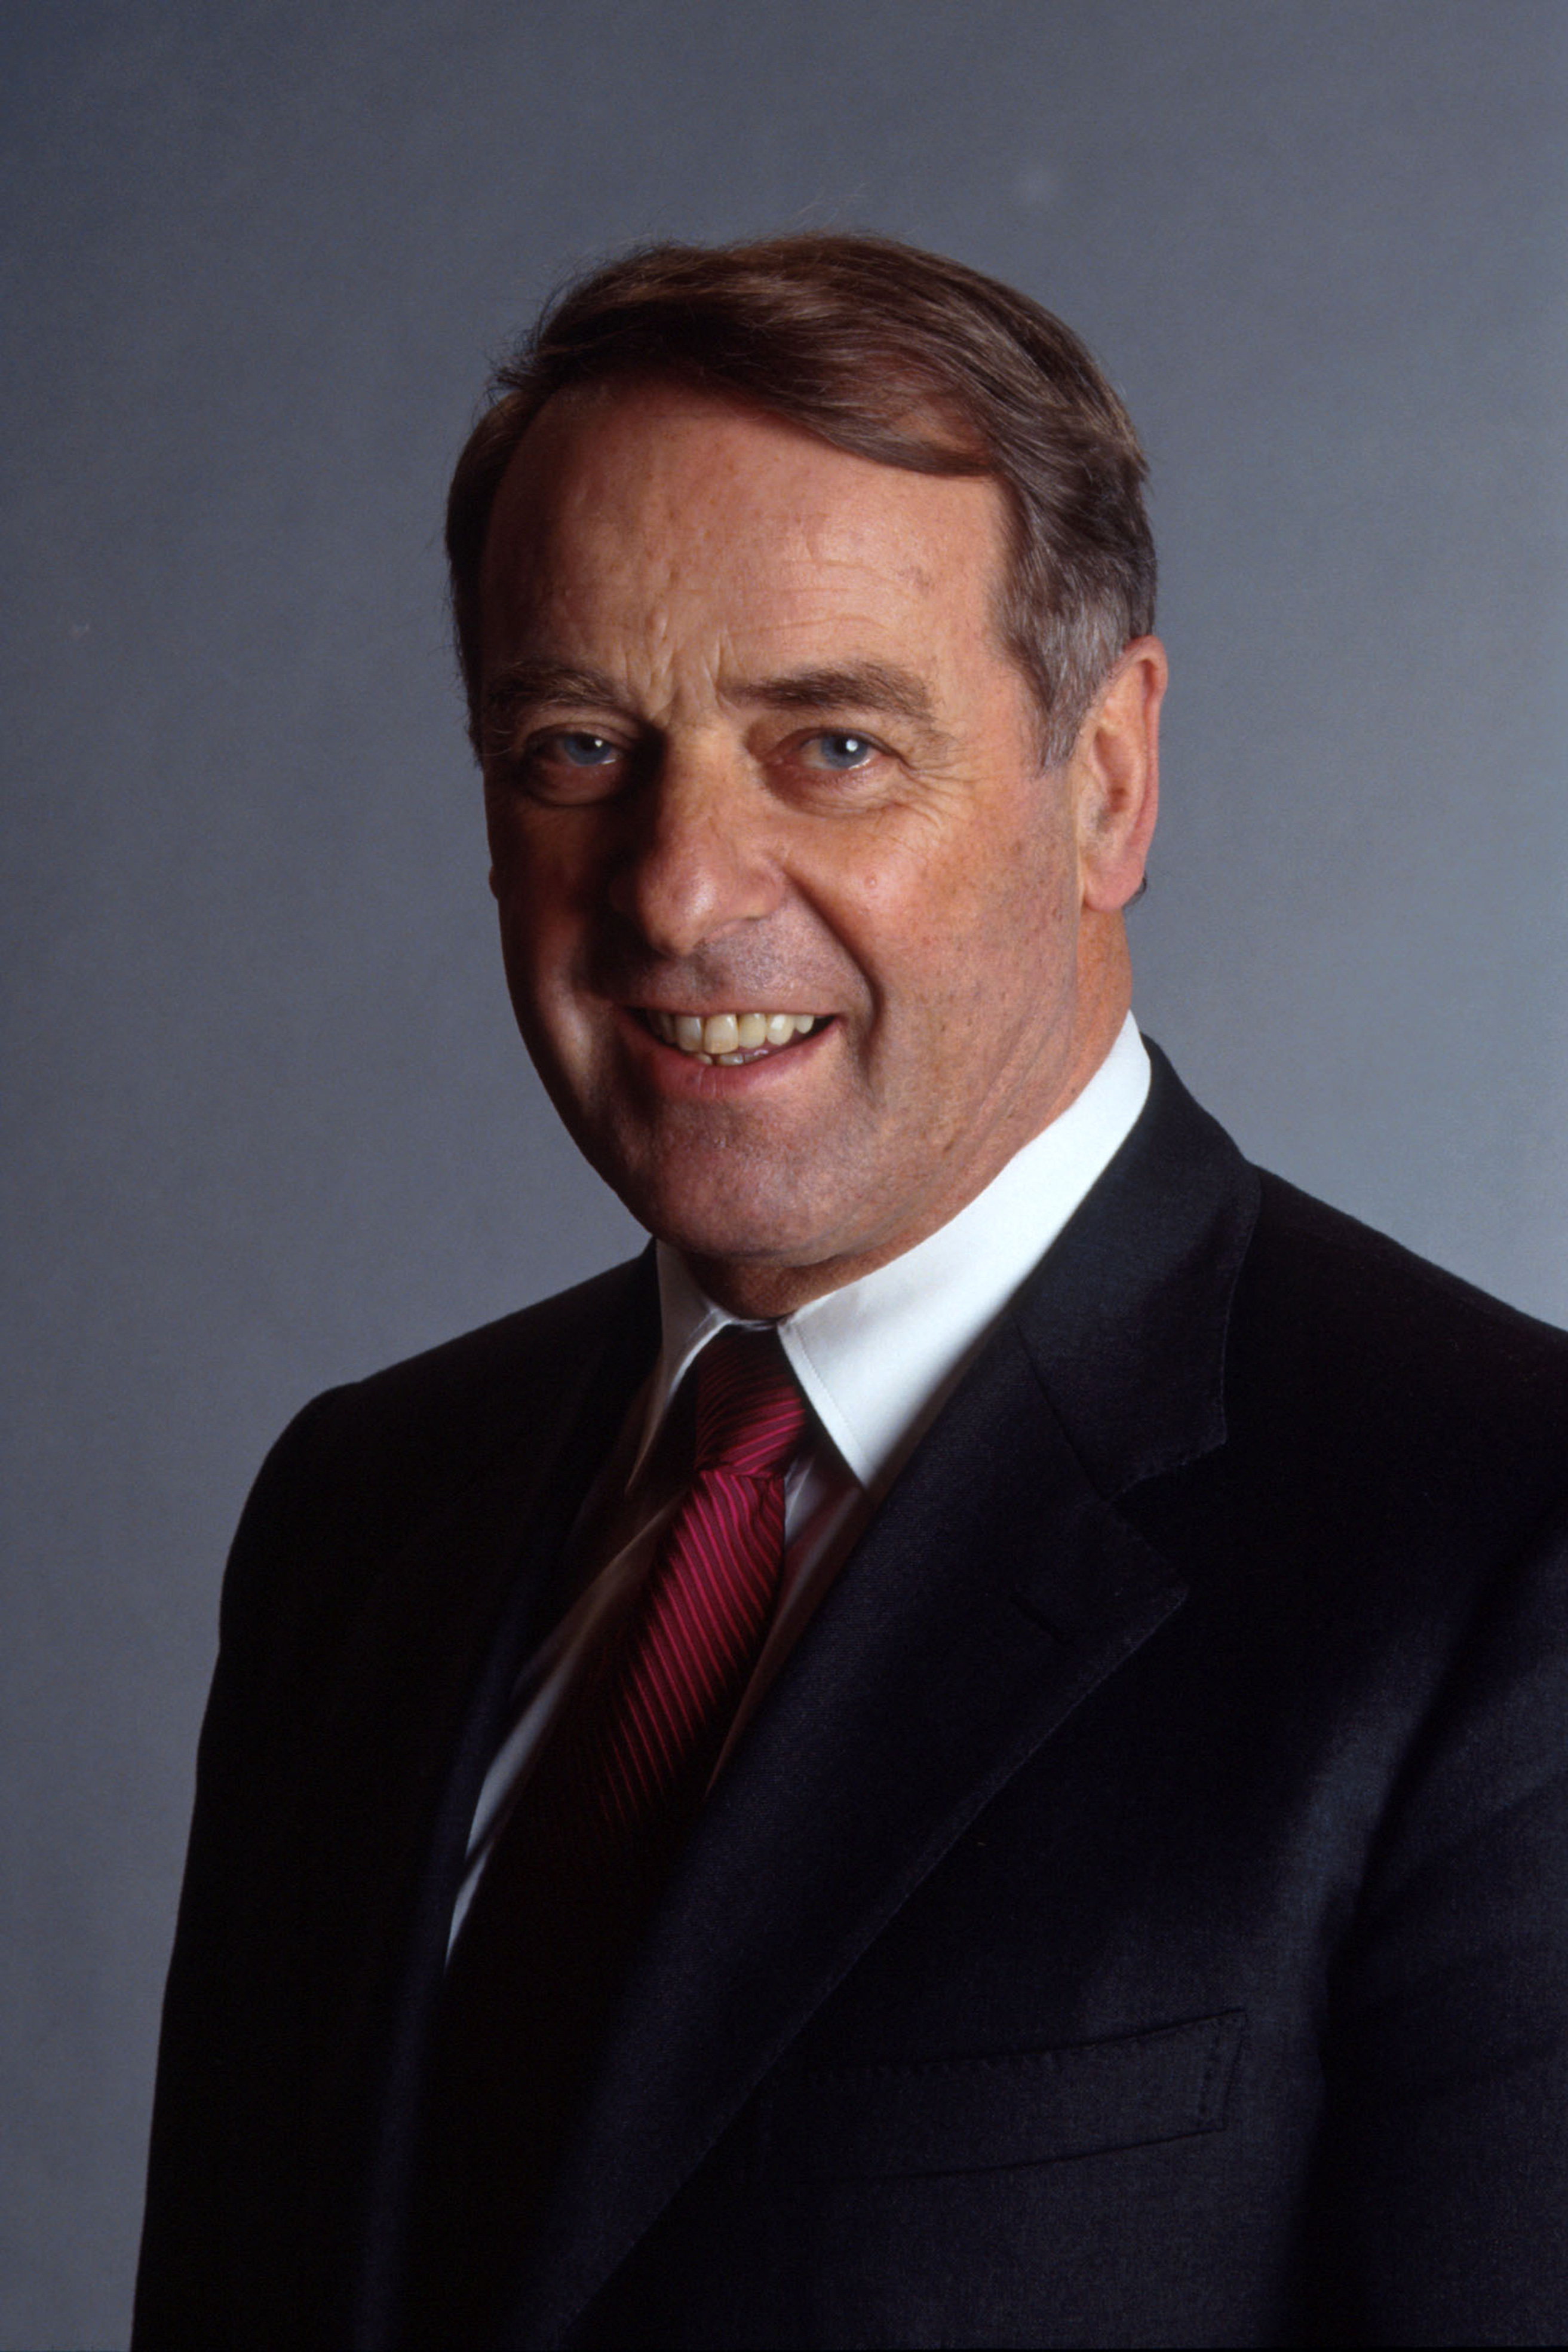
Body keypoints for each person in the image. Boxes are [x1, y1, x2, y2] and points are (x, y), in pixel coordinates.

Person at [133, 235, 1568, 2350]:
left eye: (828, 746)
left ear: (1104, 781)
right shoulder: (362, 1516)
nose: (677, 889)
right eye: (576, 746)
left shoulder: (1498, 1548)